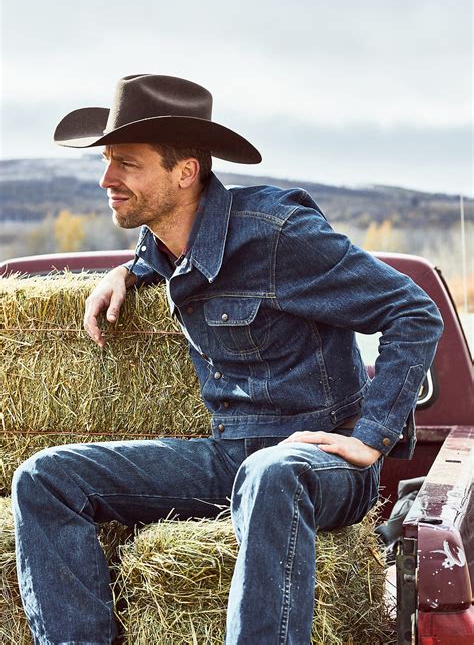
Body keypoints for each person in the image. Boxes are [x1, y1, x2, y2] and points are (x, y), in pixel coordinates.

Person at [12, 74, 443, 645]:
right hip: (230, 455)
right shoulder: (170, 241)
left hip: (318, 461)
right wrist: (127, 271)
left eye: (127, 164)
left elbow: (414, 312)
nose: (106, 179)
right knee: (45, 476)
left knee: (273, 472)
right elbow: (168, 249)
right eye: (109, 160)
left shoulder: (279, 235)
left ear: (186, 171)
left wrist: (372, 438)